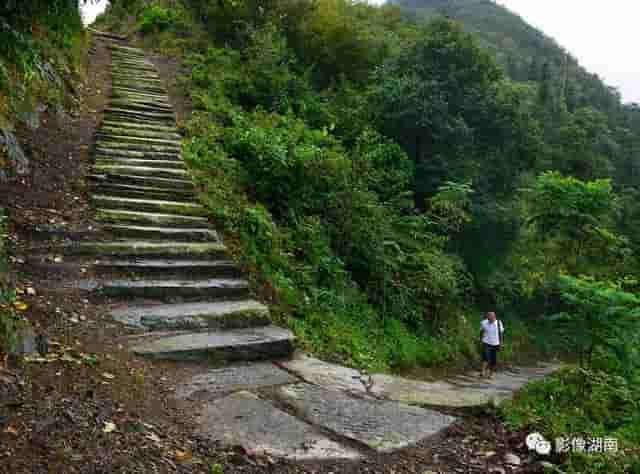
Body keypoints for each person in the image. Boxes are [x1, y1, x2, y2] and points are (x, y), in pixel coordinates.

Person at [480, 311, 504, 378]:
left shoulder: (499, 323)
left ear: (494, 317)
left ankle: (491, 374)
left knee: (493, 360)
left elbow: (501, 333)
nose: (490, 319)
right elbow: (481, 331)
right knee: (485, 357)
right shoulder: (483, 322)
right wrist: (481, 339)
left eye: (492, 318)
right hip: (486, 342)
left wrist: (501, 342)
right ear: (487, 318)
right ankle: (482, 371)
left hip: (495, 343)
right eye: (489, 318)